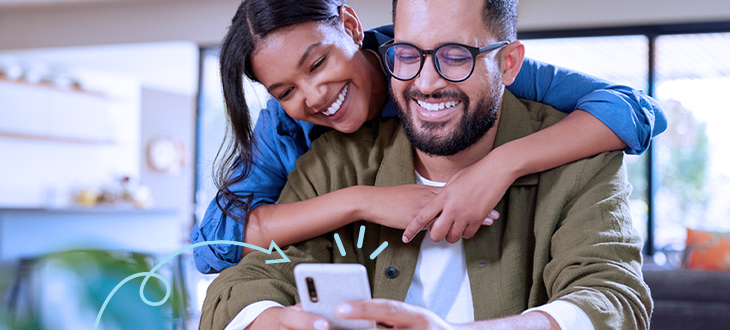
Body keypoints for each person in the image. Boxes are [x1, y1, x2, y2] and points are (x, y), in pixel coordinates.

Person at [199, 0, 651, 329]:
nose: (427, 80)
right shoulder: (316, 150)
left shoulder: (570, 146)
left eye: (454, 56)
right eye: (409, 56)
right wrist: (360, 203)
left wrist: (501, 165)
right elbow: (227, 253)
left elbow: (611, 295)